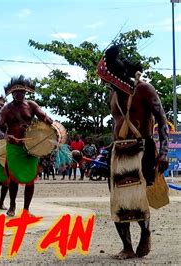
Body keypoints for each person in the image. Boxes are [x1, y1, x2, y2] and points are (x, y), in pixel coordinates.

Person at [96, 44, 169, 259]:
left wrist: (164, 152)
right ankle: (126, 246)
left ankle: (145, 234)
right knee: (118, 199)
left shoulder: (144, 89)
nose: (105, 83)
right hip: (119, 152)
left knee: (138, 198)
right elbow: (116, 124)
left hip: (143, 148)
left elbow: (162, 120)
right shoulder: (114, 95)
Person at [0, 75, 53, 217]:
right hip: (14, 147)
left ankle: (26, 209)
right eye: (16, 92)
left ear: (25, 93)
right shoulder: (6, 109)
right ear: (12, 94)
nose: (19, 94)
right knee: (13, 178)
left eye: (22, 92)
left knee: (31, 178)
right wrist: (6, 136)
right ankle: (12, 206)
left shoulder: (31, 105)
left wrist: (48, 120)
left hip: (31, 147)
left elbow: (43, 117)